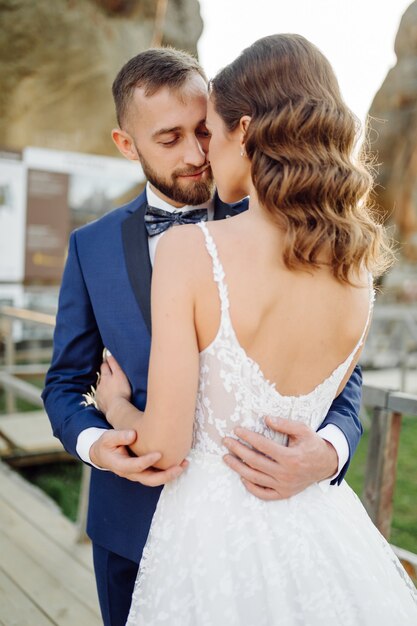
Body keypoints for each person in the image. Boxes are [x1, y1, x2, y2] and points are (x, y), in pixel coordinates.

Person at [95, 35, 417, 625]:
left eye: (211, 132)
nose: (205, 153)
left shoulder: (189, 251)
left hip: (208, 545)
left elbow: (165, 448)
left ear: (244, 132)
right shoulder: (356, 271)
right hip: (321, 538)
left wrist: (116, 407)